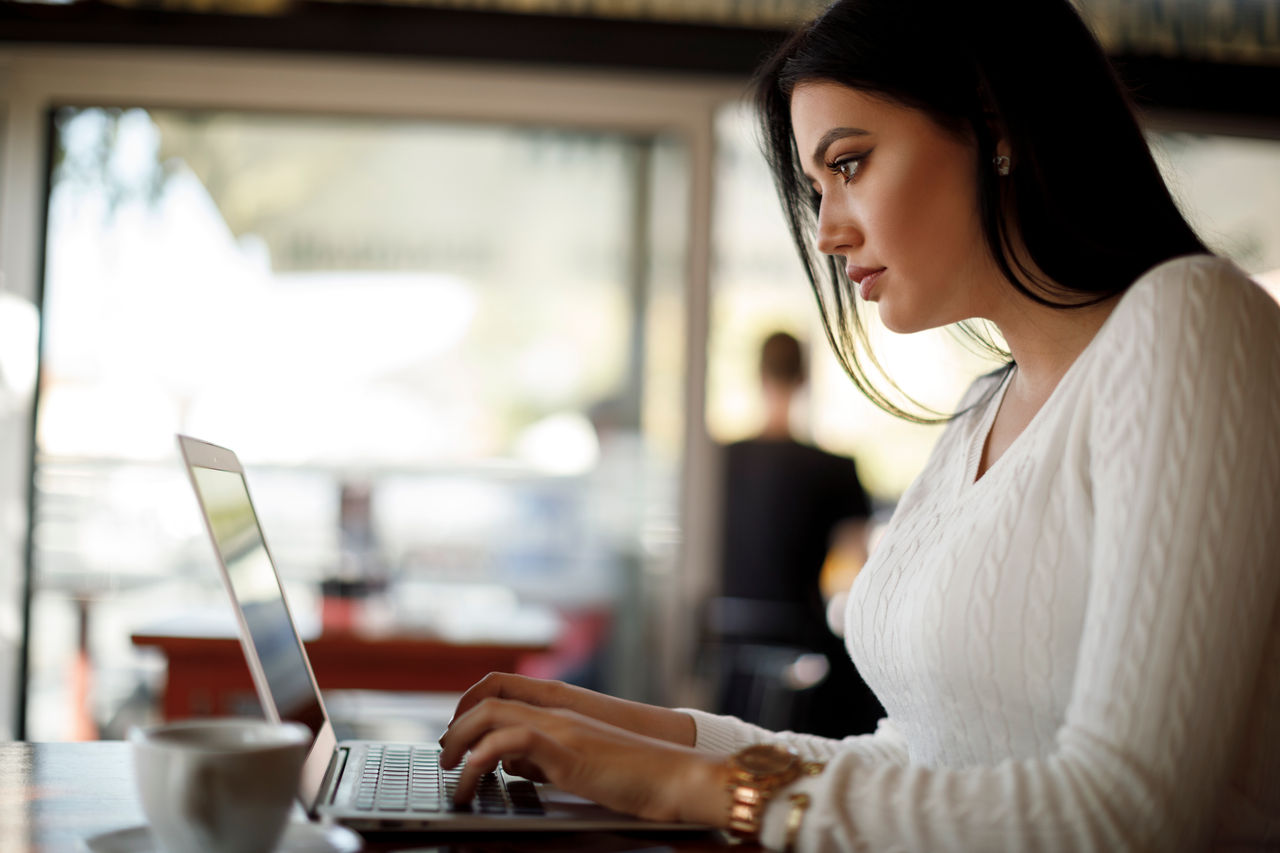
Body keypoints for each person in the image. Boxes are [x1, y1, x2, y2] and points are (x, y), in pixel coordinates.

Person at [438, 0, 1280, 849]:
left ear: (996, 124)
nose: (829, 230)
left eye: (850, 163)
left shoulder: (1192, 321)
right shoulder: (983, 411)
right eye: (816, 187)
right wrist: (637, 732)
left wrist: (677, 785)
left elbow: (1123, 813)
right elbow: (914, 761)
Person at [711, 330, 883, 737]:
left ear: (758, 374)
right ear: (804, 378)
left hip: (726, 643)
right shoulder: (836, 469)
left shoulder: (720, 461)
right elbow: (855, 572)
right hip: (802, 643)